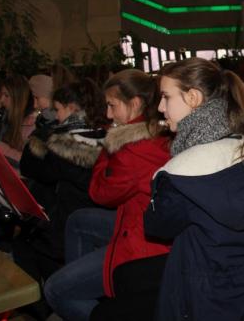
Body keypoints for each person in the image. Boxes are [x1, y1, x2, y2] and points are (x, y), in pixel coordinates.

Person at [144, 58, 244, 321]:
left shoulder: (180, 174)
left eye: (166, 97)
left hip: (214, 302)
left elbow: (156, 226)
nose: (159, 107)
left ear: (192, 97)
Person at [44, 70, 172, 321]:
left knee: (55, 290)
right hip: (145, 220)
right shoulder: (155, 133)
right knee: (80, 220)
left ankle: (97, 308)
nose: (108, 114)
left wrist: (109, 146)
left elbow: (100, 193)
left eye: (112, 106)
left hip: (145, 242)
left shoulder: (133, 150)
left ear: (135, 103)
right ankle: (87, 285)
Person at [15, 79, 108, 319]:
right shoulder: (105, 135)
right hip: (85, 226)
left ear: (72, 108)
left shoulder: (61, 144)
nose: (55, 115)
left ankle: (42, 311)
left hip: (62, 229)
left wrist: (40, 131)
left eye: (57, 109)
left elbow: (30, 166)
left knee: (26, 249)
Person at [0, 74, 38, 166]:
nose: (1, 100)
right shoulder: (6, 118)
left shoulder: (32, 124)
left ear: (18, 98)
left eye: (6, 95)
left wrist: (2, 149)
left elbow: (32, 164)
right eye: (1, 95)